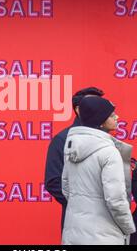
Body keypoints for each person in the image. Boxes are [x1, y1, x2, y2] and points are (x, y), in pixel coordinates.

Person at [62, 96, 135, 244]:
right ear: (101, 122)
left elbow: (66, 187)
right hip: (103, 236)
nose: (117, 117)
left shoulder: (71, 146)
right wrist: (128, 228)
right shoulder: (109, 152)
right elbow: (116, 201)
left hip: (73, 233)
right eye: (111, 115)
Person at [44, 87, 104, 231]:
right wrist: (83, 204)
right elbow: (53, 182)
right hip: (77, 222)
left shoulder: (107, 139)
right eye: (93, 104)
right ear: (78, 109)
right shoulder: (62, 139)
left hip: (107, 221)